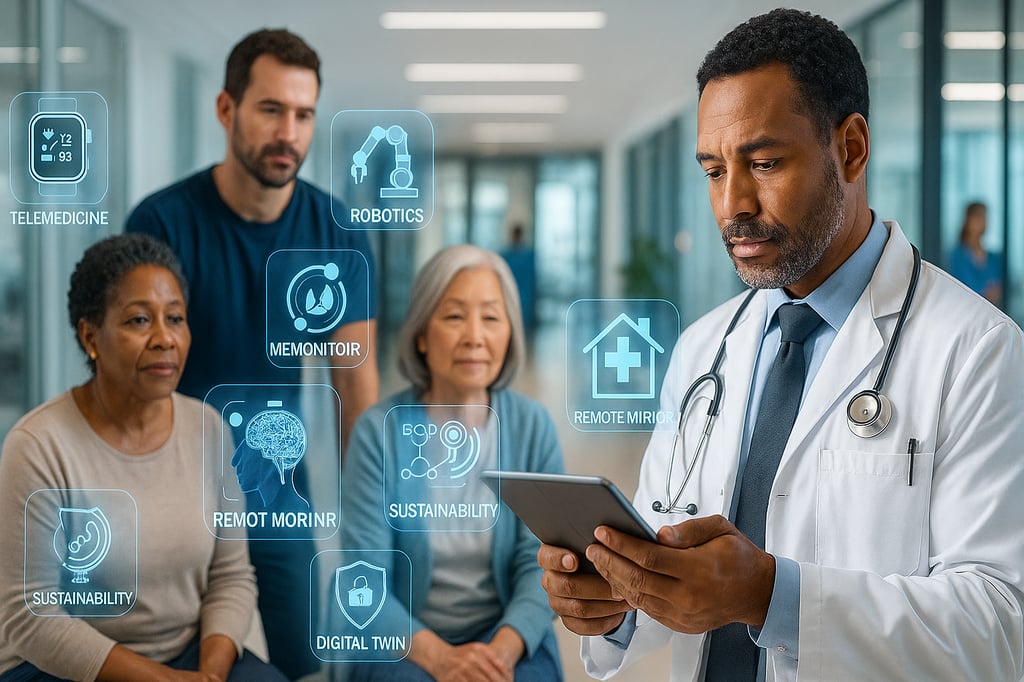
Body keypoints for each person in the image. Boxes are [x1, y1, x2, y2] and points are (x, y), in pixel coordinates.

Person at [538, 9, 1024, 682]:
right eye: (714, 171)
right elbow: (667, 557)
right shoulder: (705, 347)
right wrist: (614, 599)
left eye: (764, 163)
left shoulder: (978, 351)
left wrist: (772, 597)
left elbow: (1002, 627)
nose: (732, 203)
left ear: (850, 148)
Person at [125, 28, 379, 678]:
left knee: (302, 659)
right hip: (173, 484)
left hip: (274, 488)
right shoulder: (161, 225)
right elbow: (130, 380)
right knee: (171, 654)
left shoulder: (336, 233)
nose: (288, 133)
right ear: (226, 109)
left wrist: (367, 516)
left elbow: (355, 386)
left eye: (304, 115)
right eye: (271, 109)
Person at [0, 233, 287, 682]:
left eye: (175, 318)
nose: (164, 338)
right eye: (139, 320)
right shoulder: (38, 445)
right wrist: (165, 681)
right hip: (62, 668)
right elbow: (31, 617)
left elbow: (232, 577)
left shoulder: (209, 428)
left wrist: (210, 675)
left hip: (187, 657)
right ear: (90, 336)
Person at [339, 245, 564, 681]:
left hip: (504, 635)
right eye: (455, 316)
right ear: (421, 335)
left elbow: (540, 564)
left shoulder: (531, 426)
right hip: (402, 642)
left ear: (510, 334)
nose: (475, 336)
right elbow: (363, 582)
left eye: (491, 318)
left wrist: (499, 655)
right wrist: (442, 660)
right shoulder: (378, 432)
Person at [950, 201, 1002, 305]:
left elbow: (997, 288)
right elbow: (964, 289)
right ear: (967, 221)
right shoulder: (957, 256)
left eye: (984, 218)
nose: (982, 222)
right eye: (978, 217)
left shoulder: (993, 258)